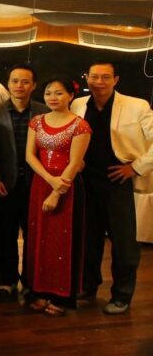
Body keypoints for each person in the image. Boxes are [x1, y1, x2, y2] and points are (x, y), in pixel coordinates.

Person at [72, 60, 152, 314]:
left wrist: (135, 167)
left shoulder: (136, 105)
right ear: (87, 78)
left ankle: (121, 295)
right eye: (94, 76)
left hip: (119, 182)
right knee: (88, 239)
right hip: (86, 182)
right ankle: (88, 286)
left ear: (116, 80)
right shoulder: (77, 105)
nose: (99, 82)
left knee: (123, 243)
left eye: (105, 77)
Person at [23, 76, 92, 316]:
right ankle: (39, 291)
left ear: (71, 96)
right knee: (39, 238)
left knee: (62, 242)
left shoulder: (80, 125)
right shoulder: (37, 122)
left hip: (67, 187)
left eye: (59, 93)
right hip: (40, 184)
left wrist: (56, 190)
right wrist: (48, 179)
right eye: (49, 93)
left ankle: (61, 296)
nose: (53, 97)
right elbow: (30, 156)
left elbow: (75, 163)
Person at [0, 64, 47, 298]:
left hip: (36, 182)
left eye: (25, 81)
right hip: (5, 183)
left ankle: (32, 282)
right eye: (14, 81)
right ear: (8, 83)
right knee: (6, 233)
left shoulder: (43, 111)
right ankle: (8, 280)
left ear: (33, 85)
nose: (19, 86)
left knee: (34, 235)